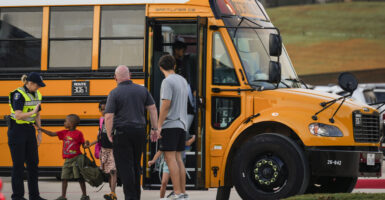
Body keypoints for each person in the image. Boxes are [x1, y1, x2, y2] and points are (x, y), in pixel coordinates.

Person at [105, 65, 159, 200]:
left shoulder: (114, 93)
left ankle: (130, 197)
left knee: (125, 167)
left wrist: (109, 133)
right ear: (130, 76)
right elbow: (152, 109)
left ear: (115, 78)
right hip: (139, 132)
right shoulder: (142, 90)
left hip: (122, 133)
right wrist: (154, 129)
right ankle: (136, 196)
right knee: (135, 164)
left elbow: (108, 116)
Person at [7, 72, 46, 200]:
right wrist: (34, 111)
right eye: (37, 85)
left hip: (29, 130)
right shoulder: (18, 94)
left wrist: (39, 132)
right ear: (29, 83)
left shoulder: (37, 94)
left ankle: (35, 196)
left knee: (33, 163)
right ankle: (17, 196)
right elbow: (17, 115)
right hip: (17, 130)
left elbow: (38, 115)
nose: (39, 88)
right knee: (18, 165)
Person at [35, 114, 89, 200]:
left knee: (79, 178)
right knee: (64, 177)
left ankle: (84, 195)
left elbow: (84, 146)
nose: (64, 122)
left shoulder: (79, 134)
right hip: (67, 160)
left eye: (65, 121)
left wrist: (86, 144)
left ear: (71, 123)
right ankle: (63, 196)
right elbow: (52, 134)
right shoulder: (64, 132)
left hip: (76, 159)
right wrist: (41, 129)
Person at [157, 55, 189, 200]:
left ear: (160, 67)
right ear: (174, 65)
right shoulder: (183, 80)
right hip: (182, 124)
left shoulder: (167, 81)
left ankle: (177, 193)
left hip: (170, 124)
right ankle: (182, 192)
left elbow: (166, 104)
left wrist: (158, 126)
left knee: (170, 159)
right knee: (178, 159)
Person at [85, 100, 118, 200]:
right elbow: (99, 136)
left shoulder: (115, 120)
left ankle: (113, 193)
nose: (103, 111)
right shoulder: (102, 120)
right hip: (104, 149)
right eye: (101, 109)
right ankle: (112, 193)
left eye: (105, 109)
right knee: (108, 172)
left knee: (113, 171)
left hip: (113, 149)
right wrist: (90, 144)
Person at [148, 135, 196, 200]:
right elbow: (160, 151)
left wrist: (194, 138)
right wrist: (153, 161)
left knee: (177, 183)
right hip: (167, 164)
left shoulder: (178, 139)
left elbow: (188, 143)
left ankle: (178, 194)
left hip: (177, 164)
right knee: (164, 183)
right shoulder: (167, 141)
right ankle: (162, 198)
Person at [172, 40, 196, 134]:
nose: (183, 53)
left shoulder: (183, 62)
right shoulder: (174, 62)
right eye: (182, 50)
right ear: (176, 50)